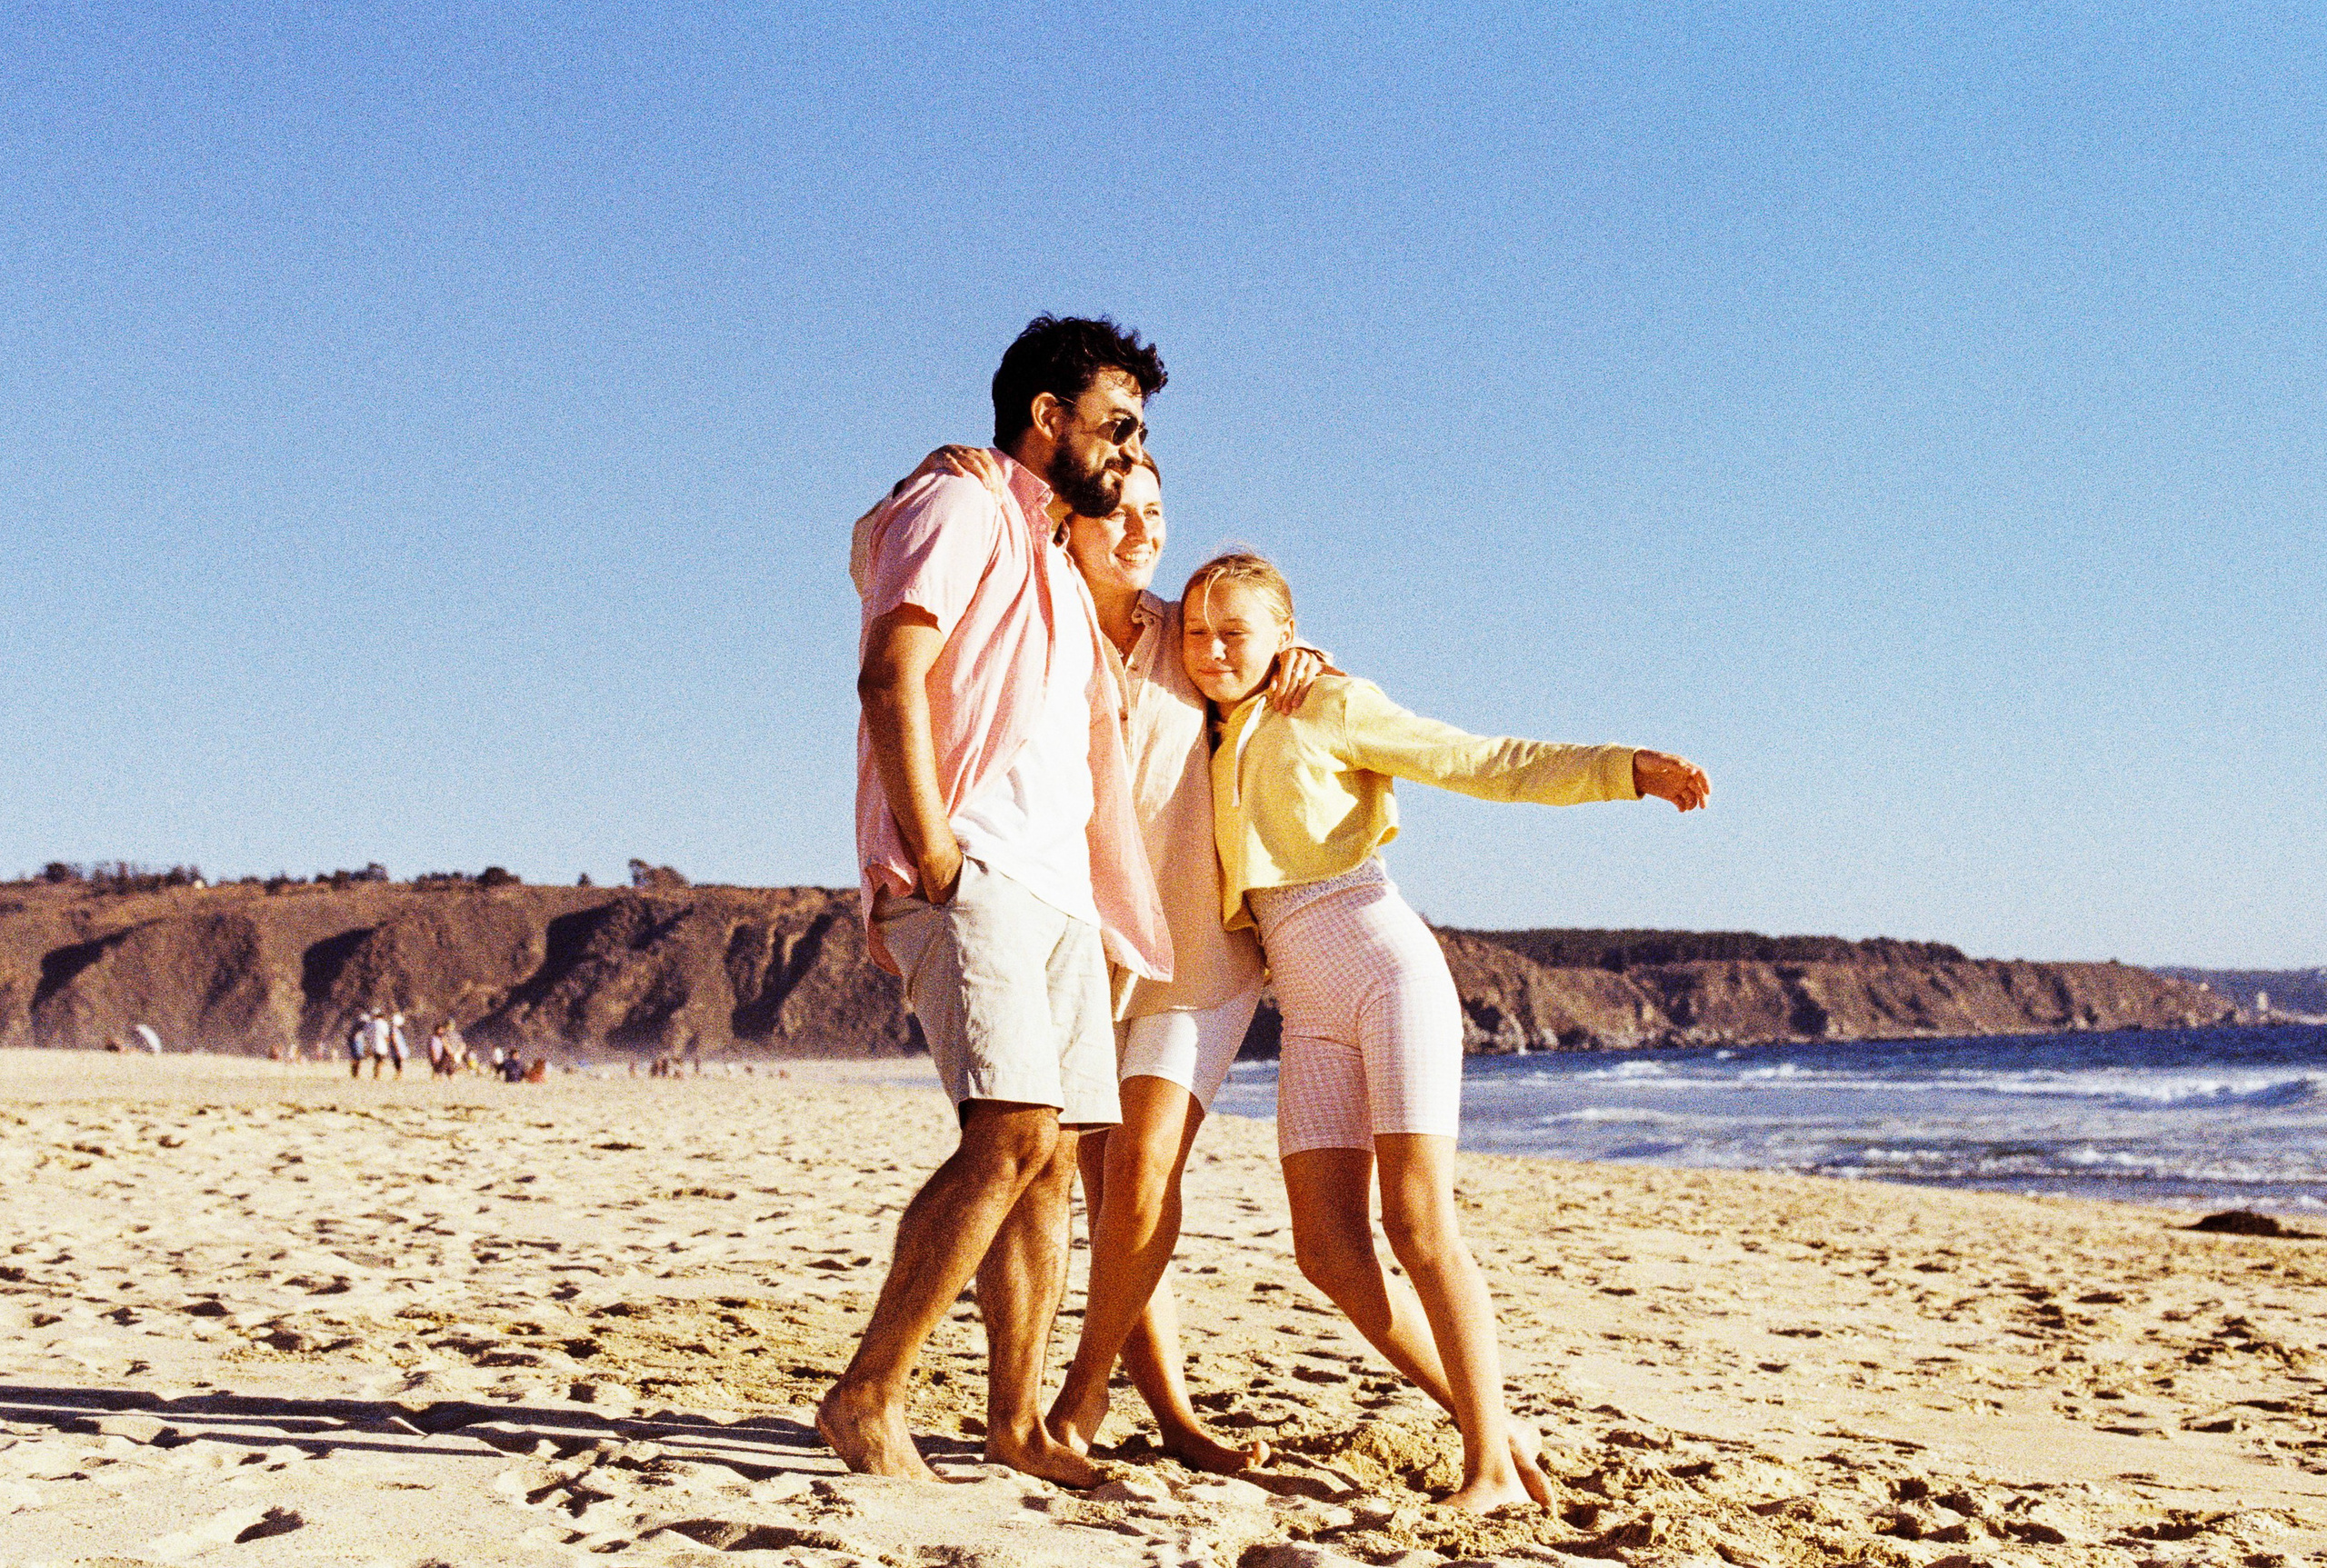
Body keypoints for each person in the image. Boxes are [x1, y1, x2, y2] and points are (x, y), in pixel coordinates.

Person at [1182, 550, 1710, 1513]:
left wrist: (1623, 770)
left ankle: (1489, 1468)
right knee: (1326, 1250)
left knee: (1418, 1224)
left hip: (1385, 967)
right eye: (1196, 632)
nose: (1212, 650)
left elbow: (1477, 760)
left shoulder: (1327, 701)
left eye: (1234, 633)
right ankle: (1496, 1423)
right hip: (1307, 1007)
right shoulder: (1199, 722)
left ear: (1284, 636)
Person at [910, 446, 1321, 1472]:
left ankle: (1083, 1393)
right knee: (1095, 1192)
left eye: (1156, 513)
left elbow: (1265, 648)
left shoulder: (1192, 631)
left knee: (1140, 1173)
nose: (1143, 532)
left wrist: (1308, 661)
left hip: (1197, 951)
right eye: (1120, 512)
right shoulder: (1032, 622)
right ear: (1069, 516)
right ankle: (1172, 1412)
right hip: (1076, 943)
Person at [820, 315, 1173, 1488]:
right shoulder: (960, 504)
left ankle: (1014, 1424)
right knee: (1010, 1131)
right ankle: (868, 1393)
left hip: (1058, 889)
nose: (1129, 450)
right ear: (1046, 416)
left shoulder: (1056, 558)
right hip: (974, 868)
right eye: (1116, 425)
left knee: (1052, 1160)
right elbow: (891, 670)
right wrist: (934, 851)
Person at [347, 1012, 373, 1080]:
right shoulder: (359, 1026)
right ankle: (355, 1074)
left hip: (357, 1041)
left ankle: (355, 1074)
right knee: (357, 1058)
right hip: (357, 1041)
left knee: (357, 1058)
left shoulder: (356, 1025)